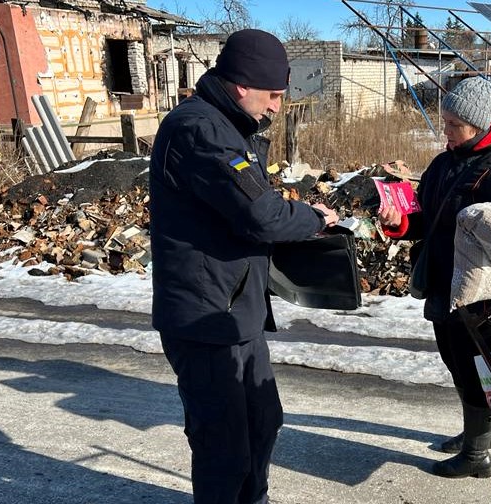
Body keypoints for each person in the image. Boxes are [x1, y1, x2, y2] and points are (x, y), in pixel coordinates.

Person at [148, 29, 339, 504]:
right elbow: (260, 214)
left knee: (262, 422)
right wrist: (312, 218)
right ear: (240, 85)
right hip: (206, 317)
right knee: (223, 445)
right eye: (273, 94)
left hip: (235, 312)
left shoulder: (228, 127)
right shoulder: (202, 130)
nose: (277, 106)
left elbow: (253, 203)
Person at [379, 76, 491, 479]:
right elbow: (426, 216)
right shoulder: (448, 160)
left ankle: (477, 453)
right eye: (444, 121)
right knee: (455, 360)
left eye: (452, 124)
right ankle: (474, 433)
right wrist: (400, 221)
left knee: (471, 365)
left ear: (477, 123)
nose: (444, 130)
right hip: (444, 277)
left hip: (476, 290)